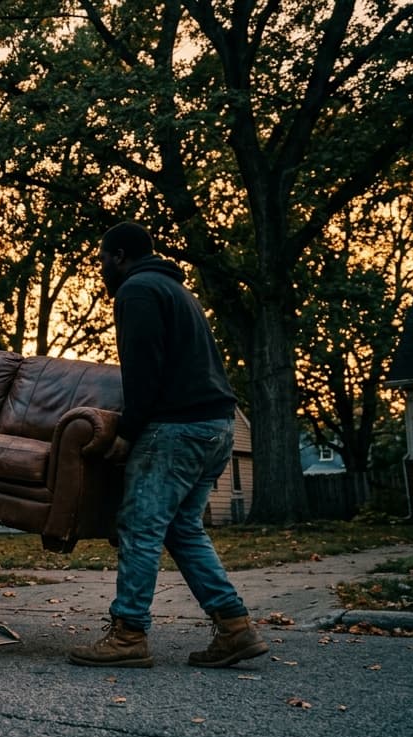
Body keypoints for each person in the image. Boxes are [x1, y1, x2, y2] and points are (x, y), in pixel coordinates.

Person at [69, 222, 268, 668]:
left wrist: (128, 431)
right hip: (216, 426)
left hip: (176, 428)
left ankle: (128, 634)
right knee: (182, 529)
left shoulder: (137, 291)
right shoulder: (177, 292)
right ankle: (235, 628)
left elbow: (144, 370)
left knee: (139, 526)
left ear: (119, 255)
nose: (102, 269)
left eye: (103, 260)